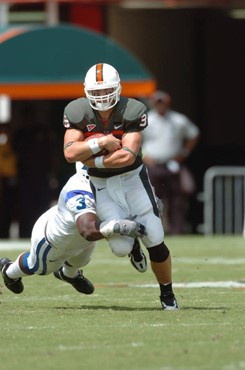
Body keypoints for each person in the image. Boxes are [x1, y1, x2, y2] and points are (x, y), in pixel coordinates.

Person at [62, 63, 179, 310]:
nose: (102, 97)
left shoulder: (132, 110)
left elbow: (127, 156)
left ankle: (167, 294)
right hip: (100, 183)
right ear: (86, 91)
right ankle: (132, 245)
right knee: (119, 247)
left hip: (132, 178)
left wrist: (91, 159)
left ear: (118, 89)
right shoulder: (77, 111)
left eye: (107, 91)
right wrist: (102, 142)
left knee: (155, 236)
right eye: (97, 92)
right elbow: (70, 153)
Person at [0, 163, 145, 295]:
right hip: (53, 241)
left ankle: (68, 275)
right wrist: (117, 226)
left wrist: (133, 246)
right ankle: (9, 271)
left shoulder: (106, 184)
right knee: (39, 267)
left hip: (83, 237)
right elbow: (88, 230)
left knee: (80, 260)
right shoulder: (78, 190)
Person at [142, 91, 200, 234]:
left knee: (177, 199)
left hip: (172, 164)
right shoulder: (146, 119)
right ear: (153, 103)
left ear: (168, 103)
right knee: (153, 198)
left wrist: (183, 154)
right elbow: (134, 139)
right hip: (153, 165)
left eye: (163, 103)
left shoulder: (178, 120)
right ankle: (154, 231)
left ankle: (177, 230)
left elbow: (194, 134)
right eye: (158, 103)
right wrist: (143, 156)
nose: (161, 106)